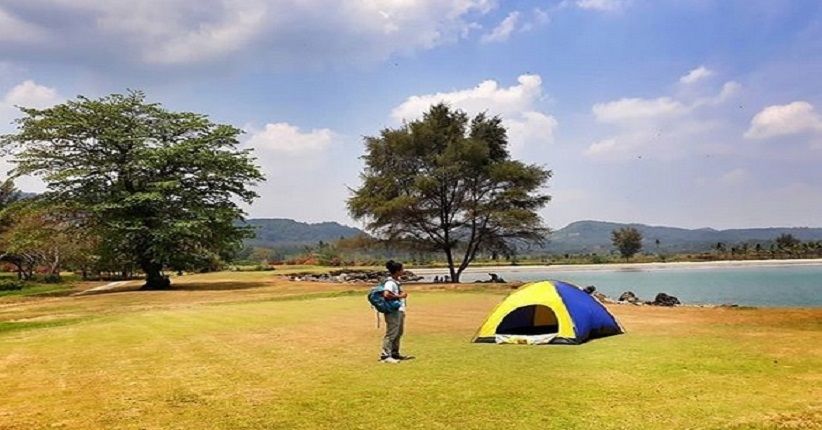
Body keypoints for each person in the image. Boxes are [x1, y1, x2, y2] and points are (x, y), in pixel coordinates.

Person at [380, 260, 412, 363]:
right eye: (402, 269)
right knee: (392, 332)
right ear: (397, 271)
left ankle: (395, 353)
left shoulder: (396, 282)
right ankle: (385, 355)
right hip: (393, 311)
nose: (403, 271)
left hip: (399, 310)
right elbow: (386, 294)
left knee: (398, 332)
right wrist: (399, 296)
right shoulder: (390, 283)